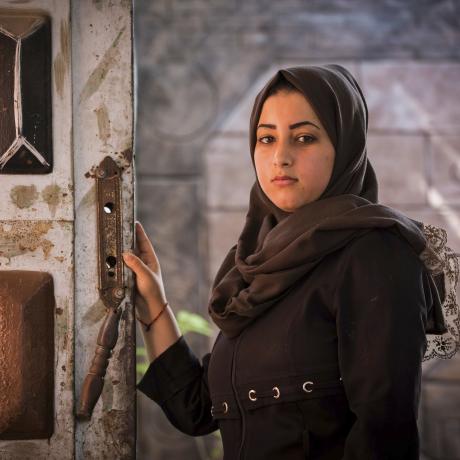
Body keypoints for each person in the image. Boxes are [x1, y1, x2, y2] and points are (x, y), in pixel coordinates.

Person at [122, 64, 456, 459]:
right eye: (266, 138)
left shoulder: (374, 253)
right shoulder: (256, 265)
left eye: (304, 138)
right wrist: (154, 306)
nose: (281, 157)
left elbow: (383, 437)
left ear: (346, 146)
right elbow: (198, 411)